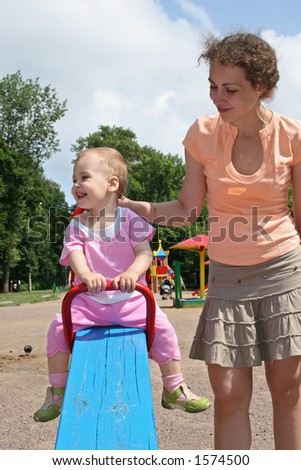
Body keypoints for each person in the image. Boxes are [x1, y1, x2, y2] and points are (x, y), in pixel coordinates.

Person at [118, 33, 301, 450]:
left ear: (262, 88)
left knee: (287, 391)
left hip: (284, 271)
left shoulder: (292, 136)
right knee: (230, 395)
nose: (218, 97)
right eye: (213, 86)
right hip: (226, 278)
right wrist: (133, 204)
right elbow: (186, 209)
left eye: (230, 89)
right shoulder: (202, 134)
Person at [34, 147, 210, 423]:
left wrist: (131, 272)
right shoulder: (76, 225)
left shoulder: (130, 219)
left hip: (129, 302)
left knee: (163, 328)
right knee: (57, 328)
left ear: (112, 184)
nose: (76, 185)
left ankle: (174, 386)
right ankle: (57, 392)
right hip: (89, 304)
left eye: (84, 177)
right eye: (74, 179)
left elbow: (144, 253)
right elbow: (76, 254)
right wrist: (87, 274)